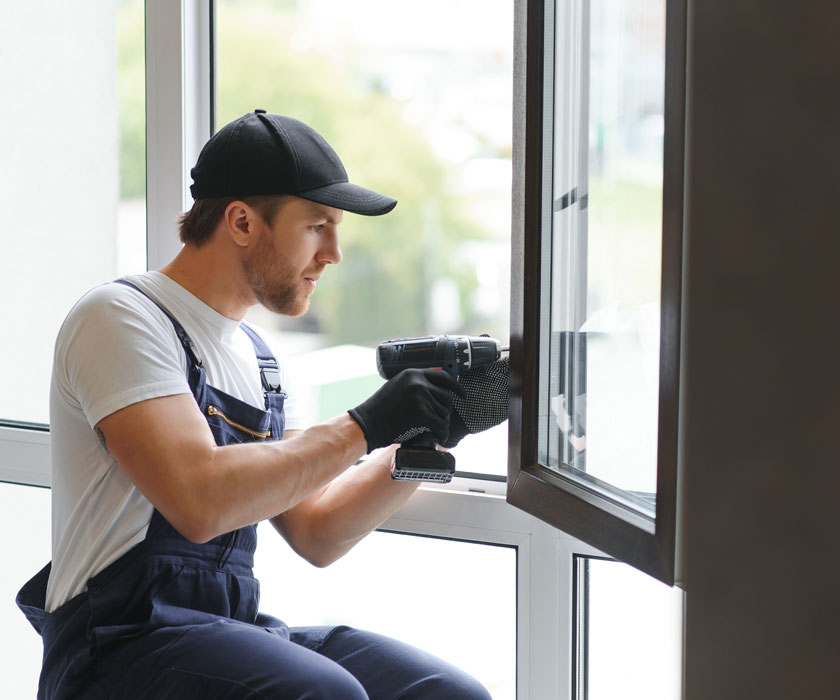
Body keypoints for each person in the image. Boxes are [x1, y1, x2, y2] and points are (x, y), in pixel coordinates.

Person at [17, 110, 500, 699]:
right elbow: (197, 498)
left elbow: (317, 531)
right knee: (325, 694)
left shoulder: (260, 362)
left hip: (226, 632)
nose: (335, 253)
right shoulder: (122, 318)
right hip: (115, 649)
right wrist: (367, 423)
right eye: (319, 225)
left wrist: (422, 437)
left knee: (443, 692)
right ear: (242, 222)